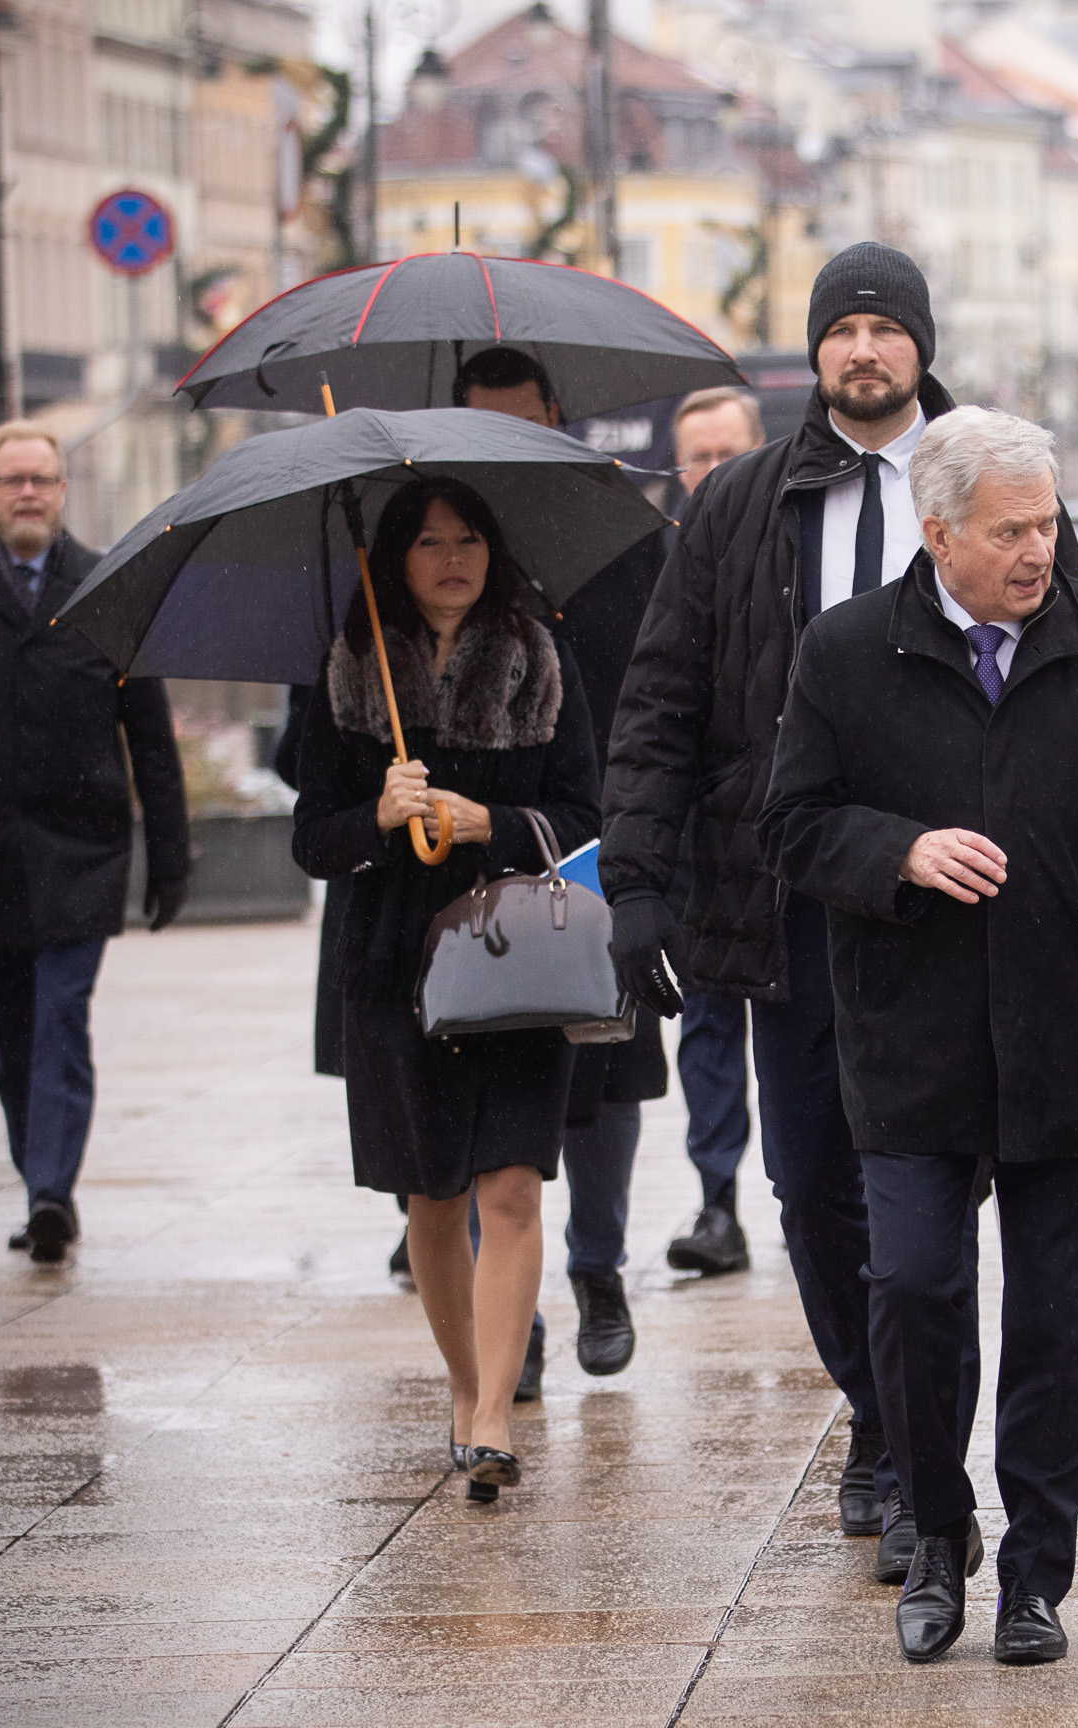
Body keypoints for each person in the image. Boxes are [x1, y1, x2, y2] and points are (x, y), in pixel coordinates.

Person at [606, 244, 1078, 1571]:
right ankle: (888, 1422)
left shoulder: (1001, 479)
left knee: (955, 1194)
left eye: (886, 327)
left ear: (922, 344)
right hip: (794, 893)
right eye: (843, 330)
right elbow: (659, 703)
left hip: (967, 900)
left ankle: (946, 1440)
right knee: (815, 1181)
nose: (864, 350)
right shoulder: (743, 505)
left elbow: (1073, 684)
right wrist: (639, 884)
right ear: (815, 352)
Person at [761, 406, 1078, 1665]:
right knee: (913, 1285)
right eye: (1011, 530)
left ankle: (1037, 1573)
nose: (1038, 549)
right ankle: (937, 1531)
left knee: (1060, 1314)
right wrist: (896, 848)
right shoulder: (846, 652)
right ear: (938, 529)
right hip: (911, 1039)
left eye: (1049, 522)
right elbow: (791, 824)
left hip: (1066, 1040)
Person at [291, 478, 602, 1501]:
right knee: (430, 1195)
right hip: (393, 966)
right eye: (429, 543)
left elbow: (589, 814)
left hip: (516, 954)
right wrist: (379, 812)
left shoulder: (541, 660)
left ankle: (492, 1416)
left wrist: (491, 824)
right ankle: (470, 1388)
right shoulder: (350, 676)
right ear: (396, 557)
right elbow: (312, 842)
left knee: (511, 1185)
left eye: (469, 538)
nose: (452, 558)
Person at [0, 421, 189, 1264]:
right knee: (11, 1035)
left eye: (41, 479)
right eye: (11, 480)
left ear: (63, 491)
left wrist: (168, 860)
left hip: (81, 852)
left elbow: (150, 735)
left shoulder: (108, 588)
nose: (27, 493)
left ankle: (50, 1194)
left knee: (60, 1018)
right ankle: (40, 1177)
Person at [452, 344, 669, 1383]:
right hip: (467, 843)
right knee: (487, 1069)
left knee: (603, 1058)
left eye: (521, 419)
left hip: (597, 827)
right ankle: (514, 1322)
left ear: (554, 416)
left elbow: (670, 681)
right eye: (482, 421)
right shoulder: (433, 535)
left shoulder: (619, 530)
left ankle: (597, 1267)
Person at [650, 386, 770, 1278]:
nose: (712, 472)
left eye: (728, 452)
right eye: (697, 456)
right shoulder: (657, 560)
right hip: (700, 844)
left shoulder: (790, 545)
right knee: (709, 1026)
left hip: (787, 830)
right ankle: (717, 1198)